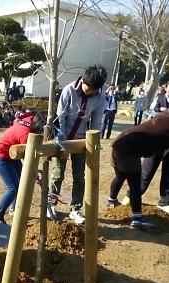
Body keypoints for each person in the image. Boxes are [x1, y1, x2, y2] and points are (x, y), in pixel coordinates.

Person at [106, 108, 169, 228]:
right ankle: (137, 218)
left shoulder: (165, 119)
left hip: (120, 142)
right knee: (135, 184)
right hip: (129, 150)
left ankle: (111, 200)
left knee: (120, 176)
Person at [49, 65, 107, 224]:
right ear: (83, 80)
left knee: (79, 177)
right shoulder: (69, 90)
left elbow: (96, 122)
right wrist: (63, 146)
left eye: (93, 90)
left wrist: (94, 144)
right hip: (63, 137)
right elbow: (60, 118)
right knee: (57, 174)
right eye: (88, 88)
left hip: (81, 140)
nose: (89, 92)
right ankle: (52, 203)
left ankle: (75, 208)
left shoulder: (101, 97)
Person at [0, 112, 46, 223]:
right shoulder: (25, 133)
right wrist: (33, 171)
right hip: (1, 157)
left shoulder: (28, 126)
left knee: (20, 184)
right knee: (13, 188)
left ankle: (14, 209)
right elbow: (28, 157)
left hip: (13, 157)